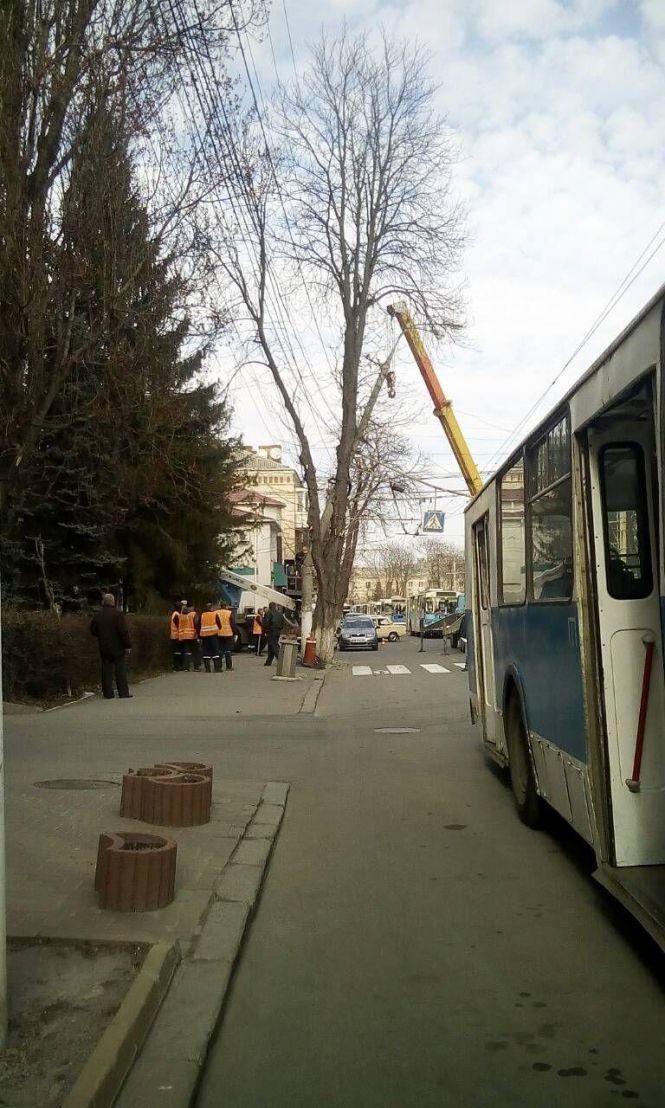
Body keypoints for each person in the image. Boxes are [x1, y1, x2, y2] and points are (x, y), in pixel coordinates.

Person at [90, 593, 132, 699]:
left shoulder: (98, 615)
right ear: (113, 602)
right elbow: (123, 631)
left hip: (104, 646)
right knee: (120, 669)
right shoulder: (118, 614)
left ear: (103, 602)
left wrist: (100, 635)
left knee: (106, 670)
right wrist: (127, 645)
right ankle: (123, 692)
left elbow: (92, 630)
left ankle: (108, 693)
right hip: (118, 646)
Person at [262, 602, 294, 667]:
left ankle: (282, 661)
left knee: (274, 646)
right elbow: (283, 623)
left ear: (270, 607)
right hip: (278, 631)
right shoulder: (280, 614)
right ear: (275, 606)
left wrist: (265, 631)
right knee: (271, 646)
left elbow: (266, 623)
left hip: (271, 631)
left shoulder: (268, 613)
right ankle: (268, 662)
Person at [215, 602, 238, 672]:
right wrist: (235, 633)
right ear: (226, 606)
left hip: (219, 634)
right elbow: (232, 624)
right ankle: (229, 667)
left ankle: (218, 667)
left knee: (220, 651)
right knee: (228, 651)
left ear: (220, 606)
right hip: (228, 634)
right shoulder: (229, 613)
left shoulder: (216, 612)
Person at [199, 603, 221, 672]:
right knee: (215, 652)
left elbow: (198, 625)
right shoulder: (214, 614)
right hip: (213, 635)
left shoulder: (202, 615)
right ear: (211, 608)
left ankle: (207, 669)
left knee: (206, 652)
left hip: (204, 636)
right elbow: (219, 625)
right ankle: (216, 668)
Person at [178, 604, 198, 671]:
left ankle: (186, 667)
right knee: (195, 652)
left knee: (186, 652)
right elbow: (196, 624)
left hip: (183, 636)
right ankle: (196, 667)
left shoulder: (181, 616)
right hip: (192, 636)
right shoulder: (192, 615)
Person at [170, 601, 186, 671]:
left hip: (177, 636)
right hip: (176, 637)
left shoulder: (177, 614)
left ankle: (178, 666)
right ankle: (176, 666)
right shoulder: (176, 614)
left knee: (178, 652)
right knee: (177, 652)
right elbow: (178, 626)